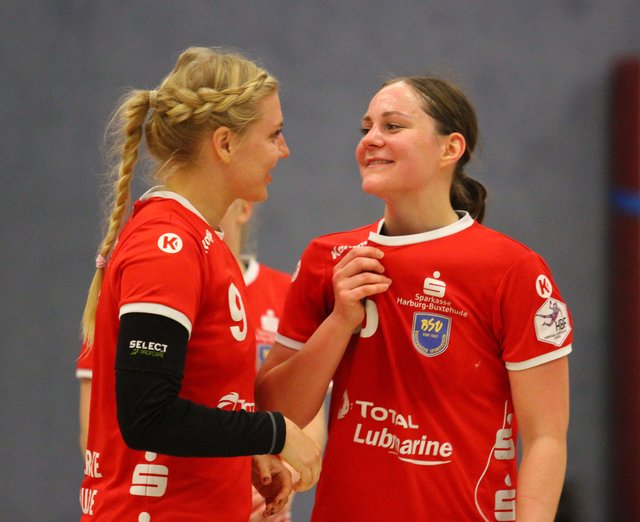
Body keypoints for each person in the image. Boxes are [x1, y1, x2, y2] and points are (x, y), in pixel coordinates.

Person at [255, 76, 572, 521]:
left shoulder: (513, 270)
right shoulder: (328, 258)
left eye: (393, 126)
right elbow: (272, 412)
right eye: (366, 128)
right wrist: (339, 322)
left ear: (450, 148)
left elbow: (546, 438)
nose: (371, 140)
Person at [77, 46, 321, 521]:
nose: (284, 150)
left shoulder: (202, 242)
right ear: (224, 143)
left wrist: (243, 453)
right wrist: (273, 432)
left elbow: (200, 402)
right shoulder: (166, 246)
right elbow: (147, 415)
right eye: (274, 134)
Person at [77, 198, 326, 521]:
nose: (279, 157)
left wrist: (262, 467)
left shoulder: (265, 287)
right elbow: (128, 417)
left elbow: (303, 414)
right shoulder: (163, 253)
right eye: (270, 141)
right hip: (154, 503)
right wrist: (272, 433)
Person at [219, 199, 327, 521]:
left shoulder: (284, 291)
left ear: (244, 209)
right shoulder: (169, 285)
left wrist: (284, 481)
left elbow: (310, 413)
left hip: (264, 501)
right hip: (188, 495)